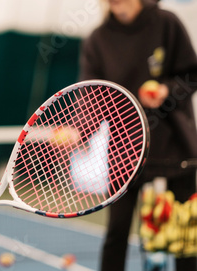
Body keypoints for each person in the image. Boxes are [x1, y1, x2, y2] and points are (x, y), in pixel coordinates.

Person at [80, 0, 197, 270]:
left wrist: (167, 90)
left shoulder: (167, 23)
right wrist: (79, 130)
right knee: (116, 234)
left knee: (185, 240)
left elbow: (191, 75)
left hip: (175, 150)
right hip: (125, 154)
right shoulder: (97, 40)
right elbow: (91, 100)